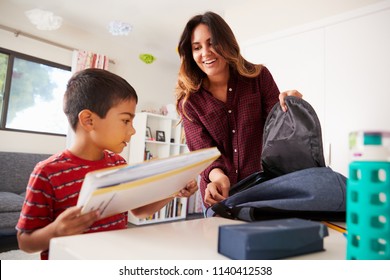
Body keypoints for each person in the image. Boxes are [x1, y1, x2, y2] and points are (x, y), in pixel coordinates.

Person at [16, 68, 198, 260]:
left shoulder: (118, 164)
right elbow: (25, 242)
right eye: (126, 120)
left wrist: (174, 188)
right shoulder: (47, 172)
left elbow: (140, 210)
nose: (133, 130)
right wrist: (56, 230)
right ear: (88, 120)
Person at [175, 11, 302, 208]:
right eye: (197, 47)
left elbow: (279, 129)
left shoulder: (258, 77)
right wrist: (218, 178)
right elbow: (203, 152)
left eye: (212, 43)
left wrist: (293, 107)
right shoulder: (189, 102)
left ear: (226, 42)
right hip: (219, 196)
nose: (205, 53)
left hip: (263, 189)